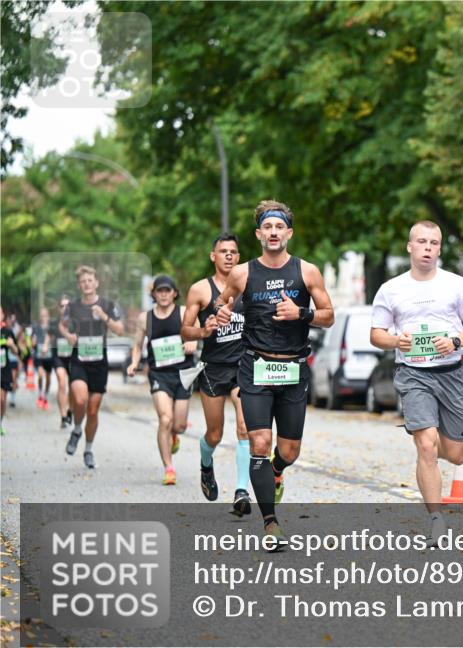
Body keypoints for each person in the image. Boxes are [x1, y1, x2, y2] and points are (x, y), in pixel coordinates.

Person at [215, 200, 334, 547]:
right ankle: (270, 524)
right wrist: (222, 314)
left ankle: (277, 470)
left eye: (279, 227)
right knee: (260, 443)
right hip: (256, 367)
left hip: (293, 369)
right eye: (267, 227)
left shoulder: (307, 271)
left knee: (289, 450)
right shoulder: (243, 273)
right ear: (258, 234)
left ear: (289, 233)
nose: (273, 232)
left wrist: (302, 314)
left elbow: (328, 314)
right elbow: (224, 301)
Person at [370, 220, 463, 546]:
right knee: (426, 443)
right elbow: (376, 334)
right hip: (413, 374)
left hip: (451, 372)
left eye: (433, 243)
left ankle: (439, 467)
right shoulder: (391, 289)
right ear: (410, 247)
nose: (427, 248)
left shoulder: (457, 284)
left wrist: (456, 340)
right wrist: (396, 341)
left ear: (439, 248)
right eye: (421, 242)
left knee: (455, 454)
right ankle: (436, 518)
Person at [181, 233, 252, 514]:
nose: (229, 256)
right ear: (213, 256)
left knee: (245, 428)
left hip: (243, 365)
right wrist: (203, 331)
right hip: (213, 368)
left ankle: (241, 491)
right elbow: (185, 329)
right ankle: (206, 464)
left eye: (233, 251)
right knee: (214, 434)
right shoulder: (200, 290)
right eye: (223, 251)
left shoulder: (247, 286)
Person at [127, 275, 198, 485]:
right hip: (159, 374)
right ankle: (169, 468)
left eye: (168, 290)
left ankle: (175, 436)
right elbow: (138, 346)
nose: (164, 294)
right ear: (154, 294)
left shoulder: (184, 312)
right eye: (160, 291)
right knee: (165, 419)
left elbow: (199, 329)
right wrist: (134, 363)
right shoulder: (145, 319)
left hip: (183, 372)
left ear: (175, 293)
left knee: (180, 425)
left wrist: (193, 341)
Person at [60, 265, 125, 469]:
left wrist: (104, 316)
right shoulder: (72, 306)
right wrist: (68, 336)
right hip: (79, 359)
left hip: (99, 362)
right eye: (83, 281)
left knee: (93, 410)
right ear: (79, 286)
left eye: (90, 280)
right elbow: (61, 324)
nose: (86, 284)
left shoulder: (107, 304)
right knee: (79, 399)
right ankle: (77, 428)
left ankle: (88, 449)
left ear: (96, 283)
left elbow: (120, 330)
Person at [52, 296, 74, 428]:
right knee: (61, 383)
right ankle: (63, 416)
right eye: (62, 306)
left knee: (73, 386)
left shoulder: (75, 323)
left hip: (72, 358)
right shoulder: (54, 323)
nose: (65, 308)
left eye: (67, 306)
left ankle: (70, 409)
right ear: (59, 308)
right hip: (58, 356)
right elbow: (48, 336)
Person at [1, 306, 22, 436]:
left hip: (4, 369)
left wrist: (12, 345)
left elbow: (17, 351)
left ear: (3, 315)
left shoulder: (7, 331)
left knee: (2, 400)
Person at [32, 307, 54, 410]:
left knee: (48, 378)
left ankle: (45, 395)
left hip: (49, 357)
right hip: (39, 356)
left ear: (48, 316)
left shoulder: (51, 327)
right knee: (41, 375)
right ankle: (40, 393)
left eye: (45, 315)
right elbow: (32, 341)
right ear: (39, 317)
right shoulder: (36, 327)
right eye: (42, 315)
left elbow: (54, 339)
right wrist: (33, 341)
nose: (43, 317)